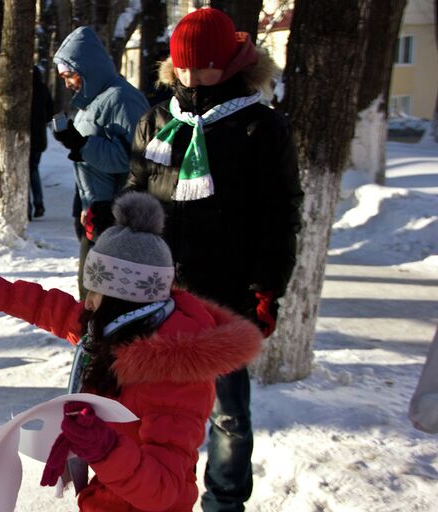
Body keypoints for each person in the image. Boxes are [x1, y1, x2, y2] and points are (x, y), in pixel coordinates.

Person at [0, 192, 263, 512]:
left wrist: (105, 449)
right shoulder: (110, 332)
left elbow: (164, 489)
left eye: (94, 293)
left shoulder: (175, 376)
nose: (86, 303)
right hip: (107, 498)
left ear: (122, 299)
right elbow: (41, 304)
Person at [125, 8, 304, 511]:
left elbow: (279, 215)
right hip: (157, 295)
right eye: (181, 67)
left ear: (227, 64)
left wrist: (267, 287)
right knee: (150, 406)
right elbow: (137, 191)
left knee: (227, 413)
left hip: (224, 294)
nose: (189, 77)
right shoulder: (157, 120)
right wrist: (110, 222)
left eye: (201, 67)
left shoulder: (258, 127)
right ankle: (155, 492)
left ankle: (224, 502)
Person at [52, 26, 149, 299]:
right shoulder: (92, 102)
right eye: (63, 78)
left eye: (70, 75)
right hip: (96, 208)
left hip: (117, 214)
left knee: (102, 296)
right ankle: (93, 340)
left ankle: (100, 341)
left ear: (88, 68)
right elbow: (93, 156)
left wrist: (80, 144)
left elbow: (132, 158)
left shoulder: (121, 99)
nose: (67, 83)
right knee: (91, 295)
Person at [29, 65, 54, 219]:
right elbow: (50, 112)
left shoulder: (24, 90)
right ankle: (39, 204)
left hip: (25, 138)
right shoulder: (43, 89)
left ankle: (27, 208)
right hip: (39, 138)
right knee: (33, 170)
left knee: (26, 173)